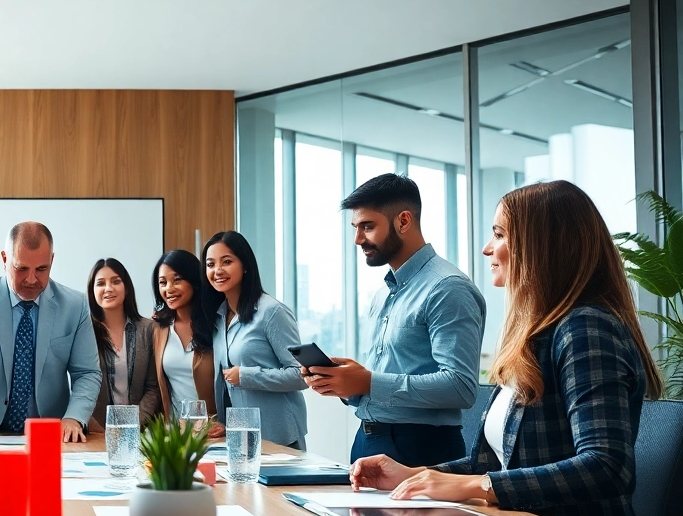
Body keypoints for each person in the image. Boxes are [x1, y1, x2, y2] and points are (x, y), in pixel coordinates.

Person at [350, 181, 661, 516]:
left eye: (499, 234)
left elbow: (605, 466)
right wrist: (413, 475)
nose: (487, 248)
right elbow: (493, 464)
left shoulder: (586, 328)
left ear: (541, 246)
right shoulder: (535, 337)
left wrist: (474, 486)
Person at [306, 173, 485, 467]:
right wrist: (347, 384)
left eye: (367, 226)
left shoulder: (448, 288)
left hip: (422, 448)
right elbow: (383, 379)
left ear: (403, 221)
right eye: (355, 228)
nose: (357, 239)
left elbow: (460, 387)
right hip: (367, 439)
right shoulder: (383, 295)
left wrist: (368, 381)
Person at [0, 222, 102, 443]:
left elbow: (86, 372)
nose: (30, 279)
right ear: (4, 259)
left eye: (41, 269)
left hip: (53, 435)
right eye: (21, 269)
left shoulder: (75, 306)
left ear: (52, 261)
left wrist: (73, 418)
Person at [203, 231, 308, 448]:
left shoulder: (271, 312)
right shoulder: (219, 316)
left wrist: (246, 375)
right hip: (238, 437)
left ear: (245, 265)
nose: (217, 270)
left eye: (227, 262)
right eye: (211, 264)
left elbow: (301, 374)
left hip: (278, 437)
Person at [151, 249, 223, 437]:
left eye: (177, 280)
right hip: (176, 434)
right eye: (162, 282)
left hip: (214, 433)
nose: (169, 289)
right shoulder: (159, 328)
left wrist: (225, 423)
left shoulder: (217, 323)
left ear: (194, 281)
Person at [85, 258, 162, 430]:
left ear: (126, 288)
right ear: (92, 291)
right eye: (101, 283)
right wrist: (95, 426)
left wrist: (134, 425)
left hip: (142, 430)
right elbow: (80, 383)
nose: (108, 288)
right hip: (97, 430)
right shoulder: (85, 332)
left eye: (115, 281)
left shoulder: (148, 329)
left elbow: (153, 387)